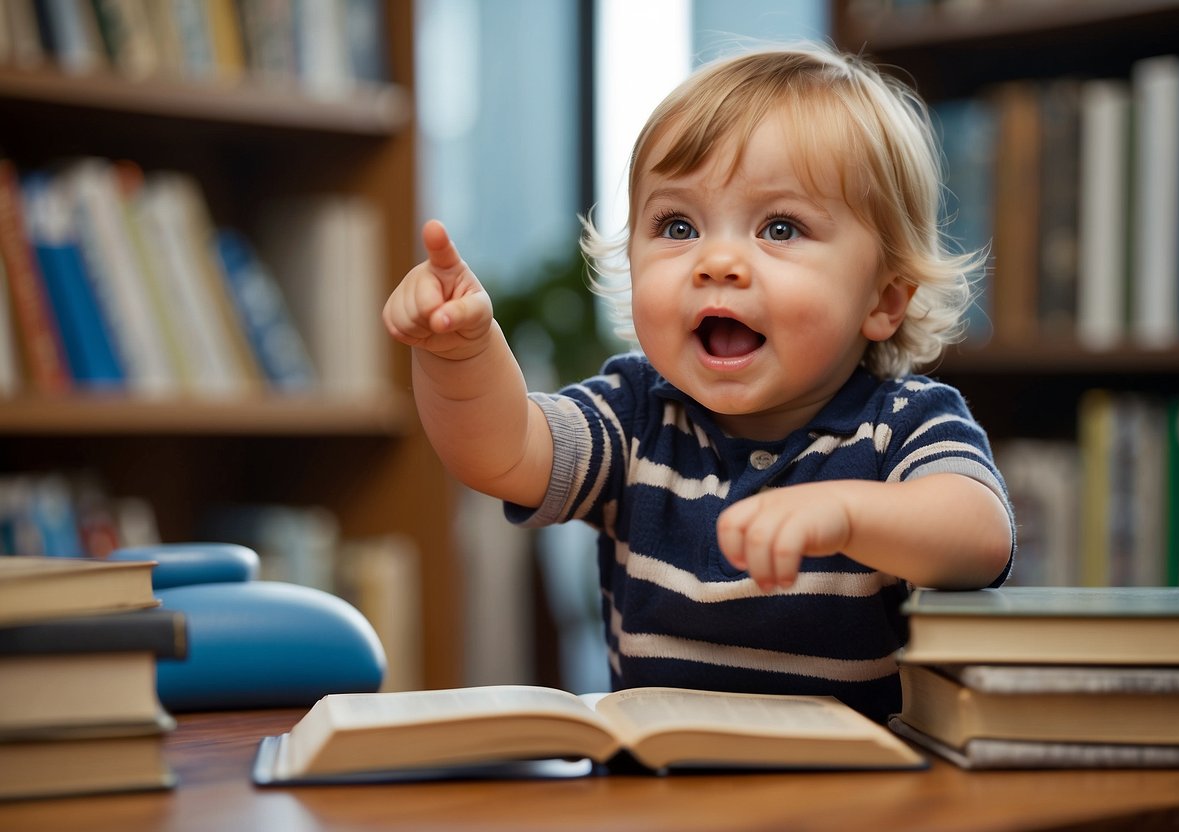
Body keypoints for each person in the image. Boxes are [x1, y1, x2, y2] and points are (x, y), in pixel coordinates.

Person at [384, 43, 1015, 720]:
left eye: (780, 227)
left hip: (849, 793)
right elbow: (501, 453)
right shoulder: (634, 415)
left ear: (883, 300)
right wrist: (457, 354)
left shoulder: (902, 424)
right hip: (660, 792)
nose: (717, 261)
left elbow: (978, 537)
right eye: (676, 225)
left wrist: (846, 513)